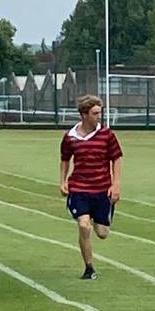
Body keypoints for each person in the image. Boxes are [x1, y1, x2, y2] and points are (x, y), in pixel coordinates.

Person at [59, 94, 122, 279]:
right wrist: (62, 181)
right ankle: (89, 268)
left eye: (99, 113)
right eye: (95, 113)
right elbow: (64, 160)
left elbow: (116, 159)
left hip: (102, 188)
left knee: (102, 233)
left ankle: (97, 217)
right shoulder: (70, 137)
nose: (99, 117)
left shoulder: (107, 135)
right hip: (79, 188)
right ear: (84, 114)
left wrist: (116, 185)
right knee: (84, 226)